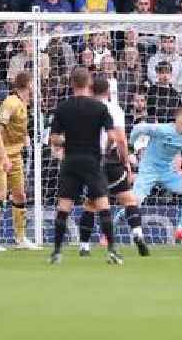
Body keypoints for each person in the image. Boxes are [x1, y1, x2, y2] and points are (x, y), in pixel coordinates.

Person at [48, 66, 121, 265]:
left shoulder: (63, 107)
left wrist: (68, 142)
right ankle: (112, 251)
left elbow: (54, 139)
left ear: (71, 84)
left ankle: (56, 252)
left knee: (64, 206)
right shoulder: (99, 107)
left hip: (71, 161)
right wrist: (105, 149)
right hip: (92, 161)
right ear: (89, 83)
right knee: (103, 205)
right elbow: (113, 137)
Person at [85, 76, 148, 256]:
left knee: (91, 204)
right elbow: (120, 139)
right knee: (129, 200)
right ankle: (137, 233)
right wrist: (126, 161)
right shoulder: (115, 109)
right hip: (113, 161)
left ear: (91, 90)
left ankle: (84, 245)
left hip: (92, 160)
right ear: (108, 92)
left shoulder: (86, 108)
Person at [119, 107, 182, 246]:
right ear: (177, 117)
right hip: (149, 170)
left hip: (167, 172)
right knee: (134, 202)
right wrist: (130, 146)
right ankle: (109, 232)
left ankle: (181, 230)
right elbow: (139, 128)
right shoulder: (162, 129)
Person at [0, 72, 40, 252]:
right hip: (0, 154)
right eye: (34, 82)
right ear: (29, 84)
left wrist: (25, 138)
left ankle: (20, 238)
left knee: (20, 195)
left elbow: (15, 128)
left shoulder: (24, 103)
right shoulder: (10, 103)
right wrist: (4, 157)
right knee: (0, 194)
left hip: (15, 154)